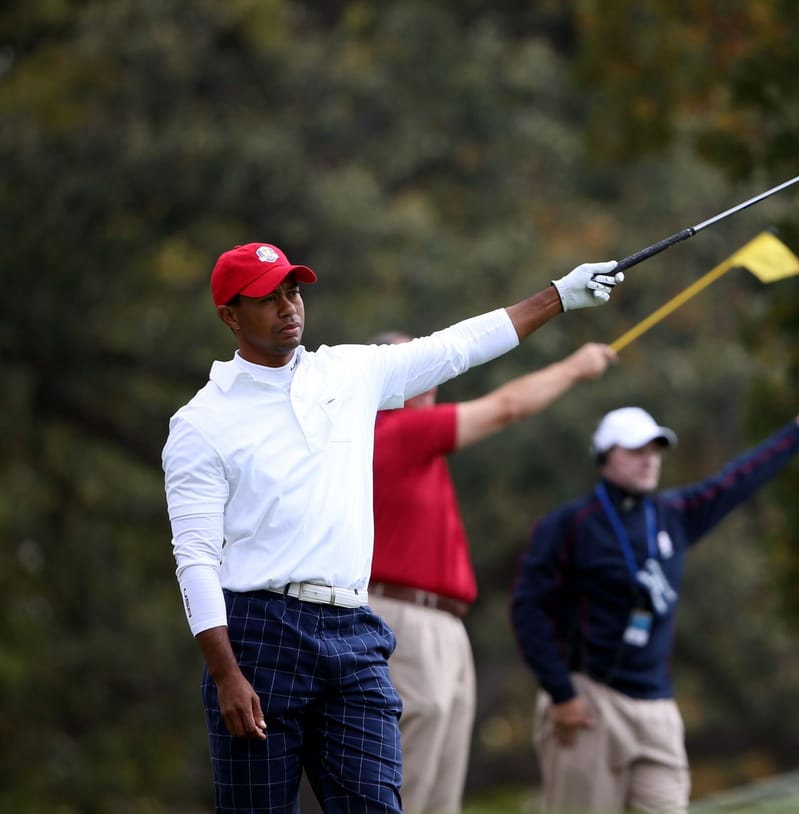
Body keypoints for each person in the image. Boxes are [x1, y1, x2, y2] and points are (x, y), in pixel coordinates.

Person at [162, 241, 622, 813]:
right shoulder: (201, 423)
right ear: (230, 315)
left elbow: (455, 348)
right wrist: (225, 672)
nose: (288, 308)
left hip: (354, 630)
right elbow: (196, 559)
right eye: (266, 299)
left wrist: (558, 297)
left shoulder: (350, 372)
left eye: (293, 291)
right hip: (259, 639)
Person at [509, 383, 799, 814]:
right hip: (588, 702)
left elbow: (735, 482)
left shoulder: (672, 515)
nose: (650, 459)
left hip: (657, 708)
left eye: (656, 449)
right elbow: (528, 610)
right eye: (637, 450)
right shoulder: (569, 525)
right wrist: (561, 693)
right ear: (606, 455)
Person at [367, 337, 617, 814]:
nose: (433, 378)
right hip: (405, 622)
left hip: (440, 625)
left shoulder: (409, 437)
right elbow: (506, 407)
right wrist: (574, 368)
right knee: (408, 787)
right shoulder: (396, 430)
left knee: (440, 795)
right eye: (418, 367)